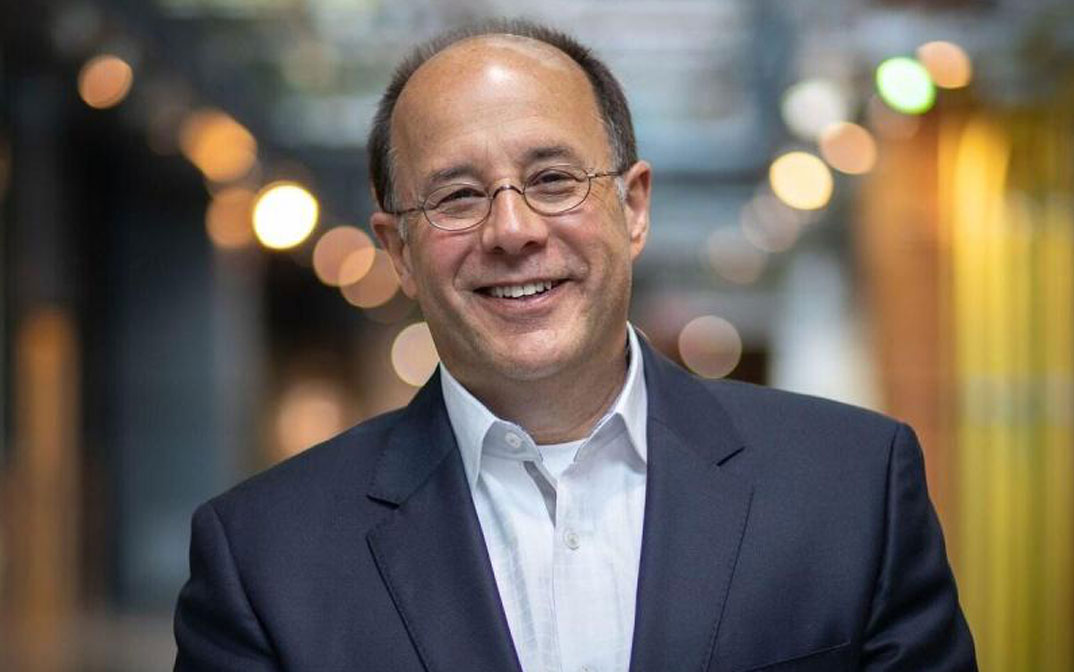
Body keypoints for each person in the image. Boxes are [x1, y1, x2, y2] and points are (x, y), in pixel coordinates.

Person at [173, 19, 977, 672]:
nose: (514, 231)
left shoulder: (851, 490)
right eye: (456, 197)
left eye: (554, 180)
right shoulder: (262, 560)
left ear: (633, 207)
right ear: (398, 252)